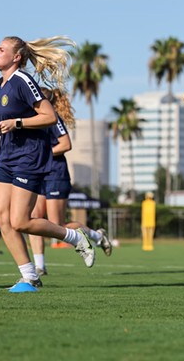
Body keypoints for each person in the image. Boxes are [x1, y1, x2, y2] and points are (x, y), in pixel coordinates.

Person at [0, 35, 95, 290]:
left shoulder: (23, 80)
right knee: (2, 217)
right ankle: (29, 275)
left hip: (29, 158)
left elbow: (49, 116)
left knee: (20, 221)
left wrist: (17, 123)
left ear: (16, 57)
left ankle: (74, 237)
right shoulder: (0, 85)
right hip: (6, 157)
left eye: (2, 49)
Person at [28, 87, 112, 276]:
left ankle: (96, 236)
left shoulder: (52, 118)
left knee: (56, 225)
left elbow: (66, 144)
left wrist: (42, 154)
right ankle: (40, 266)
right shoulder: (32, 120)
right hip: (39, 174)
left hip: (56, 175)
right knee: (32, 219)